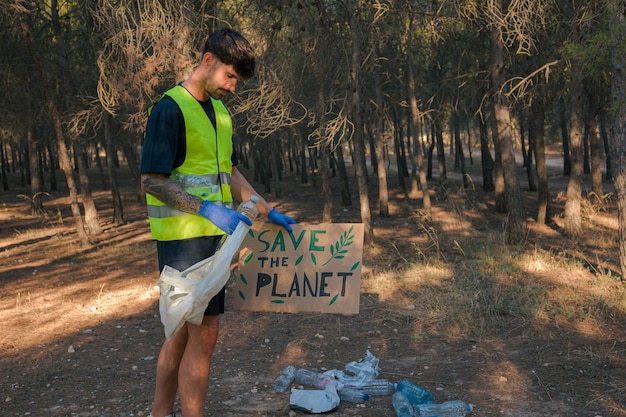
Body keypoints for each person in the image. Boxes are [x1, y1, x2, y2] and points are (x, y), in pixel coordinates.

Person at [140, 28, 296, 417]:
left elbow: (229, 173)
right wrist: (208, 209)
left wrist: (263, 207)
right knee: (203, 334)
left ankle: (159, 413)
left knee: (181, 333)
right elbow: (152, 181)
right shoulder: (170, 109)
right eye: (230, 76)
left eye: (237, 81)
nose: (233, 87)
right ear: (208, 60)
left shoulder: (221, 113)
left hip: (216, 240)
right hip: (183, 240)